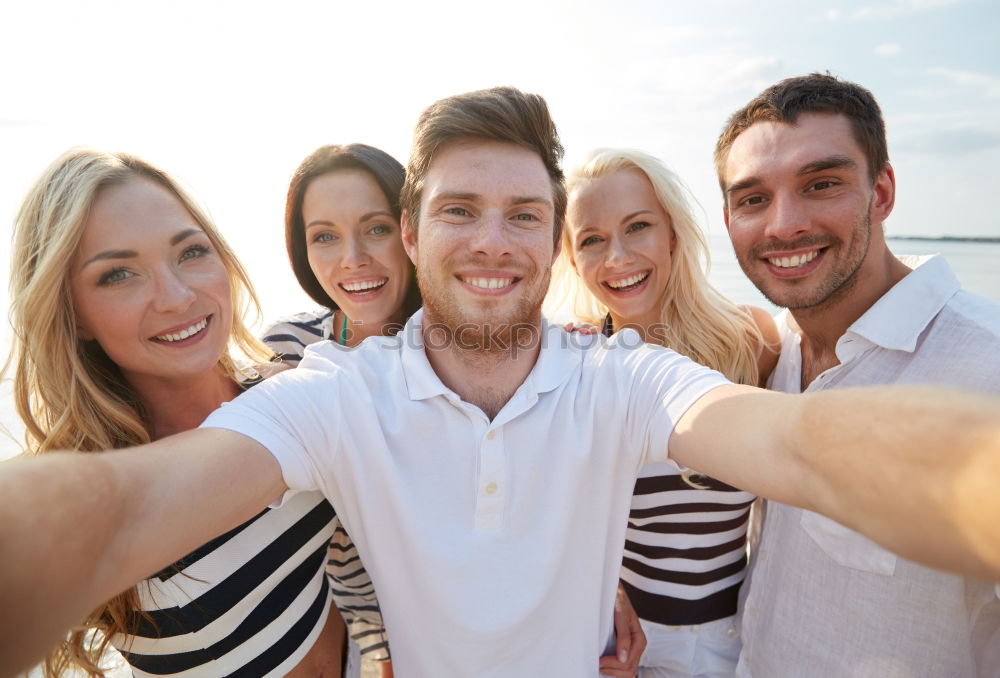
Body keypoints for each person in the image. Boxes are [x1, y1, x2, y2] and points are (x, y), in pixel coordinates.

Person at [2, 87, 1000, 678]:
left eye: (525, 215)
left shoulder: (622, 377)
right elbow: (120, 505)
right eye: (460, 211)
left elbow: (797, 447)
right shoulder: (335, 393)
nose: (492, 242)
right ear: (410, 233)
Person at [4, 149, 346, 676]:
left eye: (190, 252)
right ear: (73, 316)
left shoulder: (294, 369)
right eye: (119, 274)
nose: (177, 296)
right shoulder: (110, 490)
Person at [715, 73, 1000, 677]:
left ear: (883, 190)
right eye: (752, 198)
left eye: (822, 184)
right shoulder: (770, 349)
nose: (784, 224)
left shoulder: (986, 367)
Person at [550, 148, 778, 677]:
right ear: (571, 257)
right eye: (591, 240)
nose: (618, 258)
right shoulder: (571, 365)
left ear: (672, 233)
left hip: (743, 640)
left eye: (638, 227)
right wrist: (604, 603)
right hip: (619, 647)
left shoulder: (751, 341)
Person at [262, 143, 421, 678]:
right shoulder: (286, 347)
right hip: (352, 641)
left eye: (376, 228)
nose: (352, 257)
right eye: (324, 236)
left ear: (412, 231)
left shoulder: (462, 349)